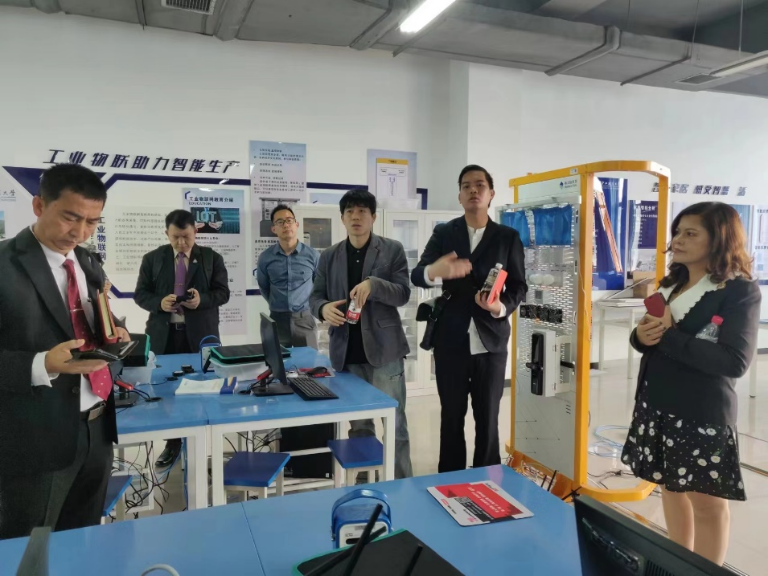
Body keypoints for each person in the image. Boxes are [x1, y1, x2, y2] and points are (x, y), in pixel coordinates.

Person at [622, 202, 760, 566]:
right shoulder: (672, 283)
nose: (677, 241)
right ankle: (677, 562)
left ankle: (705, 570)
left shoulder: (737, 291)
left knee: (707, 505)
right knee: (670, 487)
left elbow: (734, 361)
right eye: (677, 232)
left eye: (690, 233)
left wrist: (668, 335)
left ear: (719, 238)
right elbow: (649, 337)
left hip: (699, 411)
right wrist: (640, 336)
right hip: (657, 404)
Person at [0, 164, 131, 539]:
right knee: (29, 549)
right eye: (70, 217)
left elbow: (92, 320)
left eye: (92, 222)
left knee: (82, 541)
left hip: (97, 430)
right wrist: (41, 363)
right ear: (39, 206)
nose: (80, 232)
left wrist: (115, 331)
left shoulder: (87, 263)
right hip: (35, 439)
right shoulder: (5, 265)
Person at [412, 165, 527, 473]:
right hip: (450, 340)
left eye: (479, 185)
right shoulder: (444, 233)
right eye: (466, 186)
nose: (473, 190)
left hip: (492, 342)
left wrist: (499, 307)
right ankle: (449, 481)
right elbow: (417, 274)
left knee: (488, 418)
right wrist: (434, 271)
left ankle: (487, 480)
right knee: (451, 416)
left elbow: (519, 286)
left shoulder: (507, 237)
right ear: (460, 196)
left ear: (491, 194)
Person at [310, 189, 413, 480]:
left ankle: (401, 482)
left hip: (385, 353)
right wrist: (323, 309)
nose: (356, 217)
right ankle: (364, 481)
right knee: (359, 426)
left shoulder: (392, 249)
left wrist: (374, 285)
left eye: (362, 211)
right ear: (342, 218)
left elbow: (403, 293)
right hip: (347, 353)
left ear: (373, 217)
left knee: (395, 424)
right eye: (350, 212)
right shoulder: (329, 256)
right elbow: (315, 296)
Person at [134, 209, 230, 467]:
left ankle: (205, 447)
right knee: (166, 391)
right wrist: (159, 303)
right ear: (166, 233)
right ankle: (173, 441)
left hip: (200, 335)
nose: (181, 243)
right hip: (165, 336)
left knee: (206, 387)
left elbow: (223, 293)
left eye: (186, 237)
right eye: (175, 237)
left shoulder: (211, 258)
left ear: (195, 232)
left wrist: (202, 300)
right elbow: (140, 294)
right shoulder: (153, 259)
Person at [257, 204, 320, 348]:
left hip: (305, 320)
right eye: (280, 222)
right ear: (274, 229)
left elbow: (319, 286)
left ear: (296, 224)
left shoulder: (313, 255)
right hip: (277, 321)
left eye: (289, 220)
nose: (286, 225)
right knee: (277, 360)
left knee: (309, 361)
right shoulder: (265, 258)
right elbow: (264, 288)